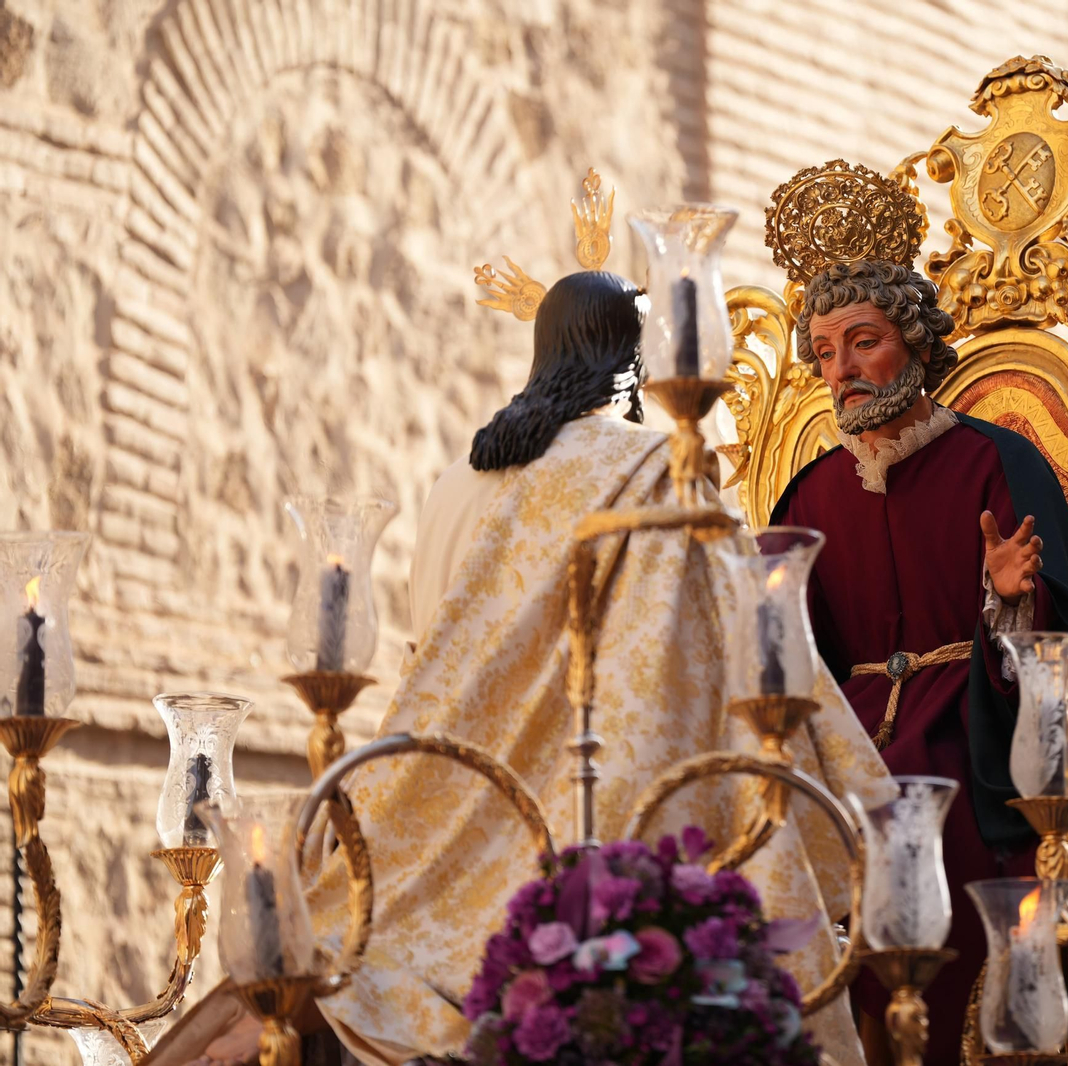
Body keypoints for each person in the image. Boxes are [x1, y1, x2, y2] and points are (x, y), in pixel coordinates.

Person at [171, 270, 891, 1066]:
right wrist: (862, 793)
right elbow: (734, 646)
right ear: (634, 364)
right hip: (602, 822)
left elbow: (435, 662)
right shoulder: (663, 471)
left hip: (430, 815)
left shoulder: (459, 480)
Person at [769, 256, 1068, 1066]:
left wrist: (1005, 600)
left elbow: (1063, 643)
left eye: (863, 343)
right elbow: (789, 653)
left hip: (974, 717)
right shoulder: (812, 495)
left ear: (913, 342)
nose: (843, 371)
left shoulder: (993, 462)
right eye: (825, 352)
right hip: (846, 728)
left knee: (911, 814)